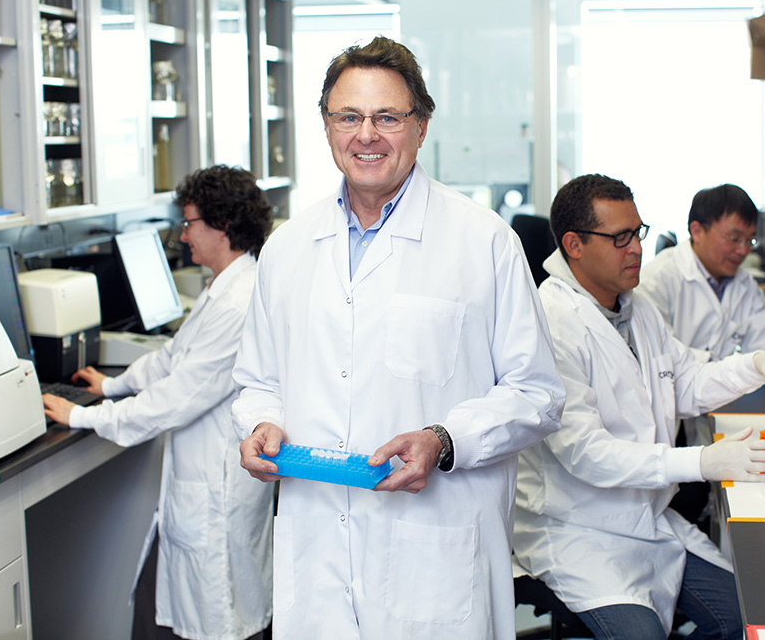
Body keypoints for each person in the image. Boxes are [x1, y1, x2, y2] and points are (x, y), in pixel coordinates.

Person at [231, 36, 565, 640]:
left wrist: (444, 439)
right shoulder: (287, 248)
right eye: (349, 117)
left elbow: (537, 393)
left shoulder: (484, 241)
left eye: (387, 117)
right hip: (318, 551)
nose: (367, 135)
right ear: (327, 127)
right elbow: (258, 379)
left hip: (433, 555)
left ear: (421, 126)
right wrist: (261, 423)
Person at [512, 174, 765, 640]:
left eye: (638, 233)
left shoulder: (636, 308)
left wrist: (758, 364)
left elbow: (687, 381)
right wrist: (702, 461)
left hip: (647, 519)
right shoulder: (550, 323)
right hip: (578, 528)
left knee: (742, 618)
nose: (636, 249)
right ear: (574, 245)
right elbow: (587, 454)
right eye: (620, 238)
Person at [42, 165, 275, 640]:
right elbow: (172, 357)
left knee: (223, 616)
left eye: (189, 223)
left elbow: (175, 399)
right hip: (204, 482)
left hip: (217, 488)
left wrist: (83, 415)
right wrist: (110, 386)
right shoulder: (223, 287)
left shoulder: (238, 303)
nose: (183, 236)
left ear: (222, 224)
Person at [637, 183, 765, 363]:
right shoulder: (656, 280)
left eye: (750, 240)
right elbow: (661, 354)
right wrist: (731, 368)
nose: (743, 251)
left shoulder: (744, 283)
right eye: (734, 238)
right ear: (697, 232)